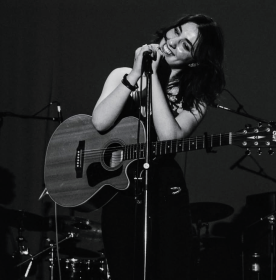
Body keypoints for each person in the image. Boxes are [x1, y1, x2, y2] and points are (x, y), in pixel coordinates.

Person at [92, 13, 225, 280]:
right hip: (122, 193)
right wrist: (136, 74)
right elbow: (99, 121)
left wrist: (151, 76)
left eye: (186, 45)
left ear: (196, 60)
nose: (172, 42)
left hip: (165, 192)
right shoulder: (123, 75)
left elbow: (169, 138)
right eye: (175, 32)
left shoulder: (196, 99)